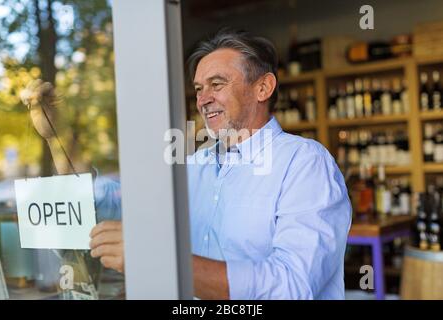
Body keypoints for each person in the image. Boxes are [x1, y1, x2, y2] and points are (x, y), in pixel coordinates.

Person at [26, 29, 352, 300]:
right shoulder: (192, 165)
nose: (202, 98)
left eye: (217, 84)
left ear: (263, 87)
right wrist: (57, 137)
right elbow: (101, 200)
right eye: (198, 88)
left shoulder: (305, 163)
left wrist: (160, 261)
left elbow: (291, 288)